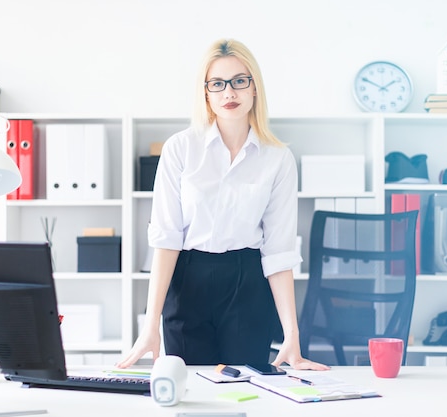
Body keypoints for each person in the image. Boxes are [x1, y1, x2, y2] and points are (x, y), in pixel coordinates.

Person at [117, 39, 329, 371]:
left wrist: (292, 336)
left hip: (247, 282)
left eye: (239, 81)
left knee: (248, 388)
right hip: (188, 280)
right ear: (206, 93)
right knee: (191, 388)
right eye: (217, 84)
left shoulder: (278, 159)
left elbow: (279, 251)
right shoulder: (180, 149)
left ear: (254, 88)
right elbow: (166, 240)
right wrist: (150, 326)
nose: (229, 93)